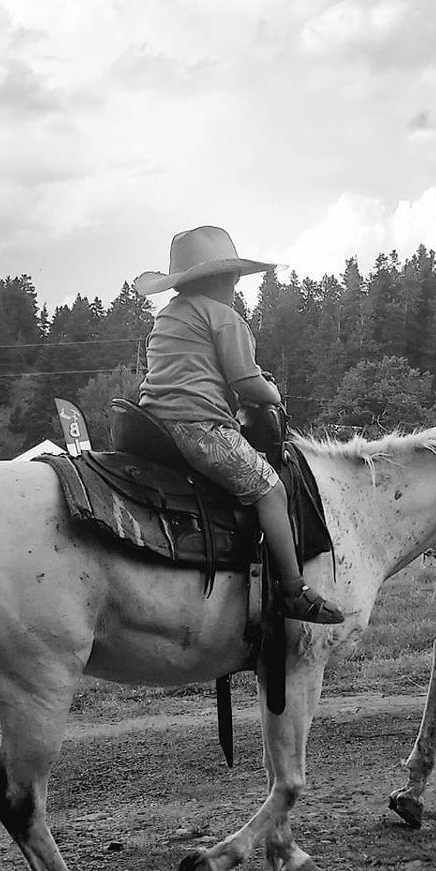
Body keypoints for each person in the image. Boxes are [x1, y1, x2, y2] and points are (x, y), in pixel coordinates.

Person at [134, 225, 346, 623]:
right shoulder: (225, 318)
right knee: (271, 490)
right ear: (224, 278)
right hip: (198, 425)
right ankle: (294, 590)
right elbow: (244, 381)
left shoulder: (169, 316)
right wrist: (273, 392)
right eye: (233, 277)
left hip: (154, 420)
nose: (235, 285)